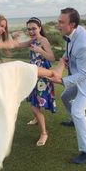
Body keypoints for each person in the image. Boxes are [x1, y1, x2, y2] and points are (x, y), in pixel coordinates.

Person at [0, 13, 65, 171]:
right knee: (19, 66)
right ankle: (54, 74)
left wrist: (19, 42)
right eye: (1, 26)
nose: (2, 30)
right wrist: (7, 44)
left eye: (4, 27)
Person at [50, 7, 86, 164]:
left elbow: (83, 74)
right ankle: (73, 121)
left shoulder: (84, 44)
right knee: (65, 96)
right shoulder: (73, 32)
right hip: (84, 76)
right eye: (58, 21)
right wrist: (62, 62)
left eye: (61, 22)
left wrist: (61, 81)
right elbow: (69, 52)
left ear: (72, 24)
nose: (58, 24)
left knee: (78, 110)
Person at [16, 17, 56, 146]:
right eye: (29, 29)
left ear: (39, 28)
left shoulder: (43, 41)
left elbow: (52, 58)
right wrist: (13, 38)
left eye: (34, 28)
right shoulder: (32, 41)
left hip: (42, 77)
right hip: (32, 74)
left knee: (35, 104)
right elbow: (17, 46)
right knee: (34, 99)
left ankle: (44, 133)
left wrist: (40, 50)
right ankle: (36, 118)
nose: (31, 31)